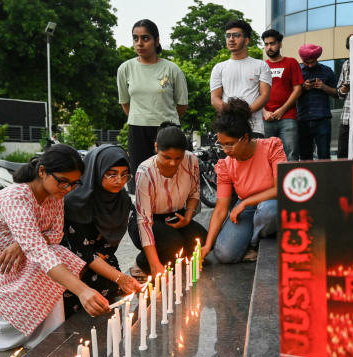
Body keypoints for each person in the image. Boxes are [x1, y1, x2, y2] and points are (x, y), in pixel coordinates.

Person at [0, 145, 109, 351]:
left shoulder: (54, 196)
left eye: (74, 184)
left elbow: (55, 236)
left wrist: (21, 245)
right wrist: (83, 291)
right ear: (42, 171)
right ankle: (16, 333)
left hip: (24, 261)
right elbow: (39, 250)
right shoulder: (16, 197)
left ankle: (49, 334)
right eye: (63, 182)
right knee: (51, 258)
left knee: (56, 254)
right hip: (3, 268)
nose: (67, 189)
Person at [62, 145, 141, 317]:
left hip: (102, 259)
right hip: (72, 262)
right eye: (111, 174)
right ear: (96, 171)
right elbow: (82, 252)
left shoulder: (122, 201)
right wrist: (120, 277)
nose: (119, 181)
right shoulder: (75, 202)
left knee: (110, 290)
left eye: (124, 174)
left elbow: (110, 246)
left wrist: (116, 275)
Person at [202, 98, 284, 264]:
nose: (225, 150)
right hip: (247, 208)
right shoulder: (225, 165)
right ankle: (260, 235)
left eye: (230, 144)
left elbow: (281, 188)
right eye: (222, 145)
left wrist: (245, 203)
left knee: (268, 211)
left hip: (273, 202)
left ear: (245, 138)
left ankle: (254, 244)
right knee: (224, 254)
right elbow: (220, 209)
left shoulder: (271, 147)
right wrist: (207, 245)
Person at [117, 19, 188, 194]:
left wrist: (166, 121)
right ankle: (141, 220)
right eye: (135, 38)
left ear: (156, 41)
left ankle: (170, 216)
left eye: (145, 38)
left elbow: (182, 104)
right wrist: (141, 117)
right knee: (140, 181)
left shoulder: (172, 69)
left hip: (167, 131)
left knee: (169, 179)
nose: (139, 43)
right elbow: (125, 103)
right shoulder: (125, 69)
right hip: (137, 130)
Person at [129, 122, 207, 278]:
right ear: (157, 147)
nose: (173, 163)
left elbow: (194, 193)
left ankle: (173, 258)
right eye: (167, 157)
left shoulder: (191, 161)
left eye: (178, 158)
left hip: (176, 216)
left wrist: (187, 217)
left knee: (201, 238)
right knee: (172, 243)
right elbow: (144, 221)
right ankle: (141, 264)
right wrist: (154, 265)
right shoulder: (145, 171)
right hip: (147, 222)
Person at [210, 20, 272, 138]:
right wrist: (233, 114)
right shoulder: (219, 68)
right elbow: (214, 98)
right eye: (228, 36)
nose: (231, 39)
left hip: (254, 128)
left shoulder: (261, 65)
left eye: (236, 35)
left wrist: (245, 113)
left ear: (247, 40)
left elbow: (265, 96)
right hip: (227, 128)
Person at [262, 29, 303, 161]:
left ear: (280, 44)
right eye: (266, 44)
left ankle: (290, 182)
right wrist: (264, 112)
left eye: (272, 43)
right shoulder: (261, 67)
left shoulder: (291, 62)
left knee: (291, 154)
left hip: (288, 117)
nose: (269, 47)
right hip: (266, 119)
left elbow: (298, 89)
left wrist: (282, 110)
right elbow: (255, 93)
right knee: (267, 157)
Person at [296, 44, 338, 160]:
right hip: (302, 119)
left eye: (312, 62)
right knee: (304, 155)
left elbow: (337, 93)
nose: (309, 65)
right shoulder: (297, 71)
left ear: (317, 58)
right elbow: (290, 94)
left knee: (324, 155)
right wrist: (303, 88)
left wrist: (323, 87)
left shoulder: (327, 71)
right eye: (306, 62)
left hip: (322, 118)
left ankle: (324, 178)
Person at [336, 35, 353, 159]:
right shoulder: (346, 64)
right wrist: (343, 88)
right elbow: (339, 94)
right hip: (347, 116)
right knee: (342, 153)